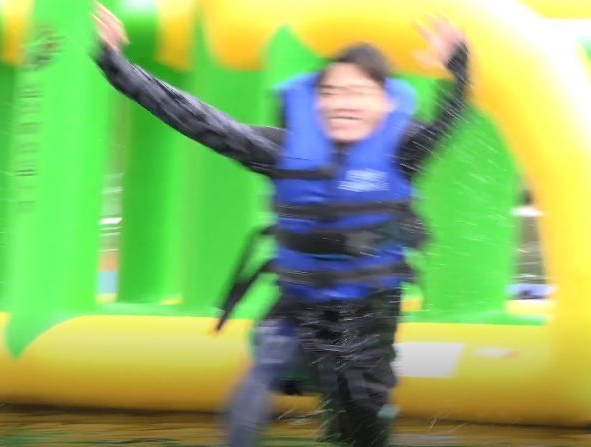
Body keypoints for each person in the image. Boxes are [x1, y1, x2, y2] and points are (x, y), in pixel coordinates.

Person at [93, 3, 469, 446]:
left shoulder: (404, 150)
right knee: (253, 390)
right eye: (331, 92)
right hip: (298, 311)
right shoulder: (281, 151)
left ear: (386, 103)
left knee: (360, 425)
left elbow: (451, 116)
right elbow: (197, 120)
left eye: (358, 92)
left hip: (369, 317)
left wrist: (459, 66)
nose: (343, 103)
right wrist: (116, 66)